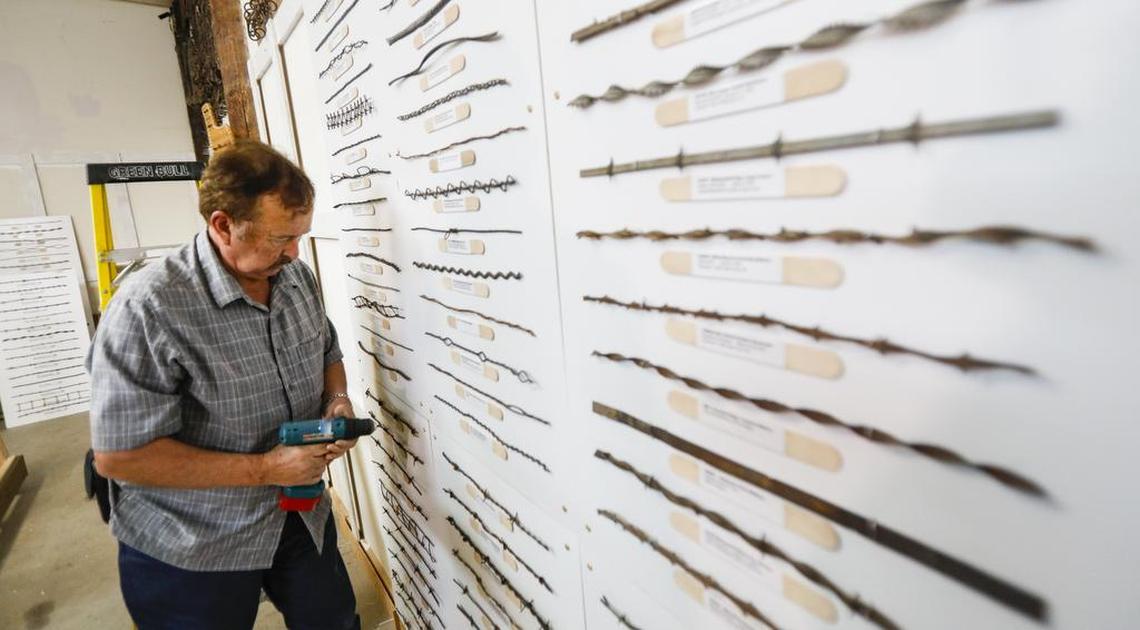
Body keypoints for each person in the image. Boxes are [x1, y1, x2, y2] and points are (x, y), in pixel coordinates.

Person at [87, 141, 360, 629]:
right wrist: (266, 469)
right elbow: (119, 456)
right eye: (281, 238)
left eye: (301, 236)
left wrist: (336, 401)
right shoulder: (148, 309)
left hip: (298, 516)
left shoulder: (295, 277)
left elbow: (328, 353)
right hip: (192, 542)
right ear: (223, 224)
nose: (295, 253)